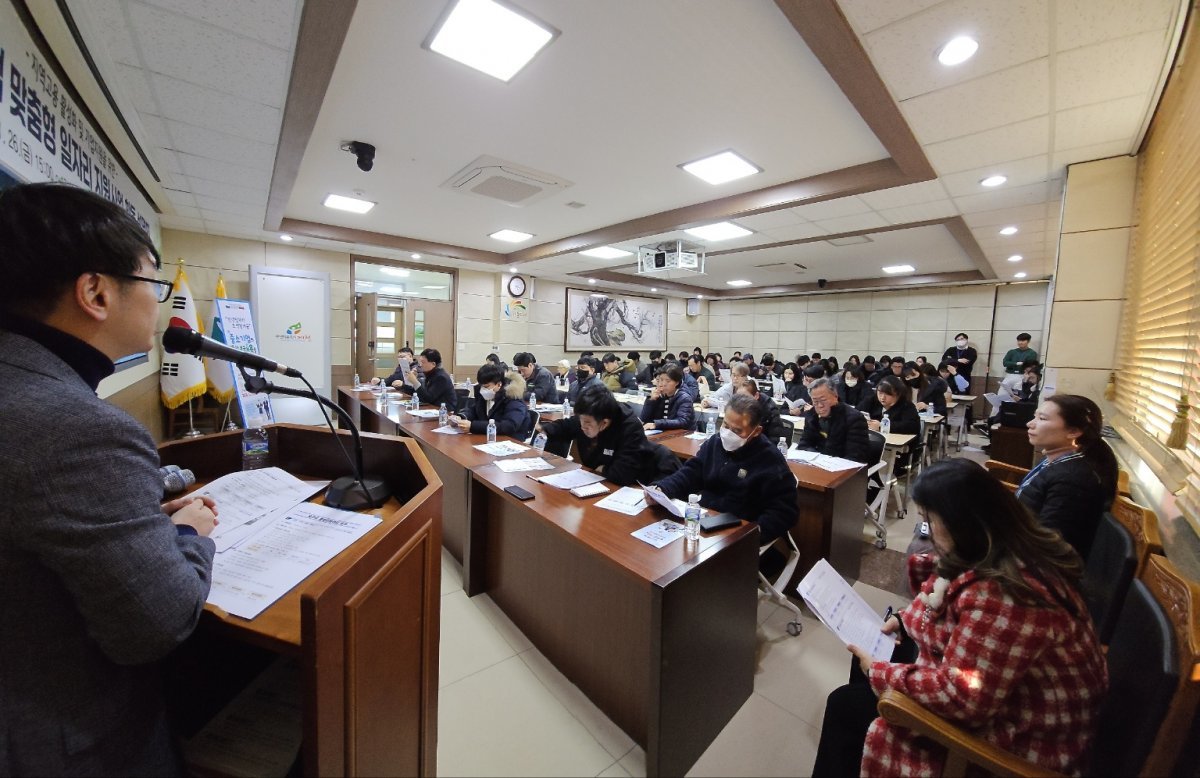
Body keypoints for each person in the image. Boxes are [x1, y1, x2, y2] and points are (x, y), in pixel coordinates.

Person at [0, 182, 219, 774]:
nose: (162, 306)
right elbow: (159, 623)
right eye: (154, 284)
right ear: (95, 292)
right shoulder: (75, 425)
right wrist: (192, 534)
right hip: (63, 737)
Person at [813, 459, 1105, 777]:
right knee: (878, 652)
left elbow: (963, 698)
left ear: (961, 522)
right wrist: (904, 619)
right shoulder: (1002, 545)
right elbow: (945, 590)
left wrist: (880, 673)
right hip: (1003, 696)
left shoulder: (1009, 595)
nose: (927, 533)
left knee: (845, 706)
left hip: (1015, 740)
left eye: (929, 521)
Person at [652, 394, 799, 545]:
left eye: (737, 430)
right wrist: (663, 489)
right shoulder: (715, 442)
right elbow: (692, 471)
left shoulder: (770, 460)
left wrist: (751, 535)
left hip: (738, 533)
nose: (728, 434)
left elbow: (784, 512)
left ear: (756, 431)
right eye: (725, 426)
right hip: (704, 523)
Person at [1019, 394, 1118, 561]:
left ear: (1074, 431)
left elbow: (1049, 543)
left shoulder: (1073, 481)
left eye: (1042, 419)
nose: (1030, 424)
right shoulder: (1058, 460)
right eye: (1035, 416)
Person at [538, 385, 679, 485]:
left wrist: (604, 469)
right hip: (599, 481)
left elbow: (623, 473)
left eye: (587, 423)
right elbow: (567, 426)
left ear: (604, 423)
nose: (582, 426)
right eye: (580, 420)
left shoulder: (629, 427)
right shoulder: (589, 415)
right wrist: (544, 429)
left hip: (638, 482)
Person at [796, 378, 870, 462]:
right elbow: (804, 445)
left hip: (842, 468)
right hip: (818, 465)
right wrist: (817, 459)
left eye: (823, 400)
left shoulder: (854, 419)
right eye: (815, 402)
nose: (820, 405)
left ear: (835, 396)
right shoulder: (812, 415)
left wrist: (827, 462)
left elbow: (855, 457)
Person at [451, 364, 532, 440]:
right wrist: (461, 417)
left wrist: (473, 426)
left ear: (499, 384)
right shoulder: (483, 395)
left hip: (510, 440)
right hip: (487, 437)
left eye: (486, 387)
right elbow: (474, 410)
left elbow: (509, 426)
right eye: (481, 386)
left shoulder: (513, 399)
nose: (483, 390)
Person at [640, 364, 696, 431]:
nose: (662, 384)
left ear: (677, 383)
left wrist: (656, 424)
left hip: (682, 434)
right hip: (662, 432)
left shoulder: (684, 398)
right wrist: (651, 400)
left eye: (668, 381)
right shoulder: (659, 395)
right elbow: (643, 418)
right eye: (660, 380)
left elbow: (682, 421)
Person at [735, 376, 788, 443]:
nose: (740, 402)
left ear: (756, 396)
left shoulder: (769, 409)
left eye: (745, 398)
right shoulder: (735, 406)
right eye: (738, 397)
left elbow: (774, 438)